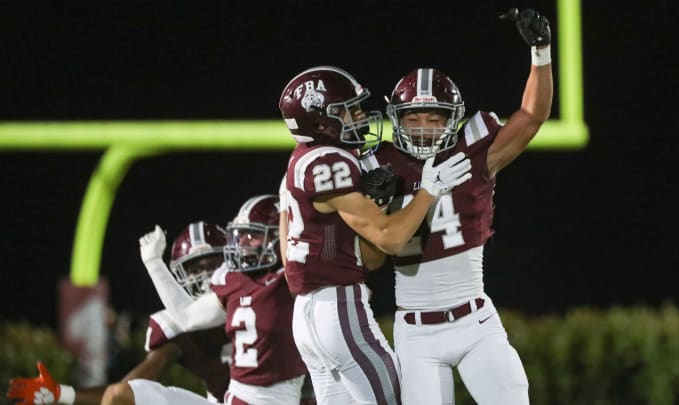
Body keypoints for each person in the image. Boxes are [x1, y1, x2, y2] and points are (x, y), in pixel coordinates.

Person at [357, 7, 554, 404]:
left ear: (455, 119)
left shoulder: (476, 150)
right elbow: (371, 260)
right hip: (415, 331)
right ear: (398, 119)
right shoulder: (379, 167)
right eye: (415, 118)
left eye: (436, 118)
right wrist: (376, 205)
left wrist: (541, 52)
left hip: (475, 319)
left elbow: (532, 116)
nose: (426, 128)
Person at [278, 65, 473, 405]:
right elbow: (390, 239)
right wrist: (430, 190)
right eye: (347, 110)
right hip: (339, 309)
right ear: (320, 120)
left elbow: (369, 256)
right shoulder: (330, 161)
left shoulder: (302, 160)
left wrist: (379, 204)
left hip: (306, 316)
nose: (359, 117)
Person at [6, 222, 230, 405]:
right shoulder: (178, 327)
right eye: (195, 269)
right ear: (179, 274)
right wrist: (59, 393)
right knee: (119, 396)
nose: (204, 277)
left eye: (212, 265)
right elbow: (125, 390)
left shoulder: (252, 300)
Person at [137, 195, 313, 405]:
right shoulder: (235, 280)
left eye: (253, 235)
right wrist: (153, 262)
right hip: (239, 398)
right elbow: (186, 316)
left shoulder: (296, 277)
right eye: (241, 235)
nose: (243, 243)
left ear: (279, 236)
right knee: (123, 395)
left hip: (291, 395)